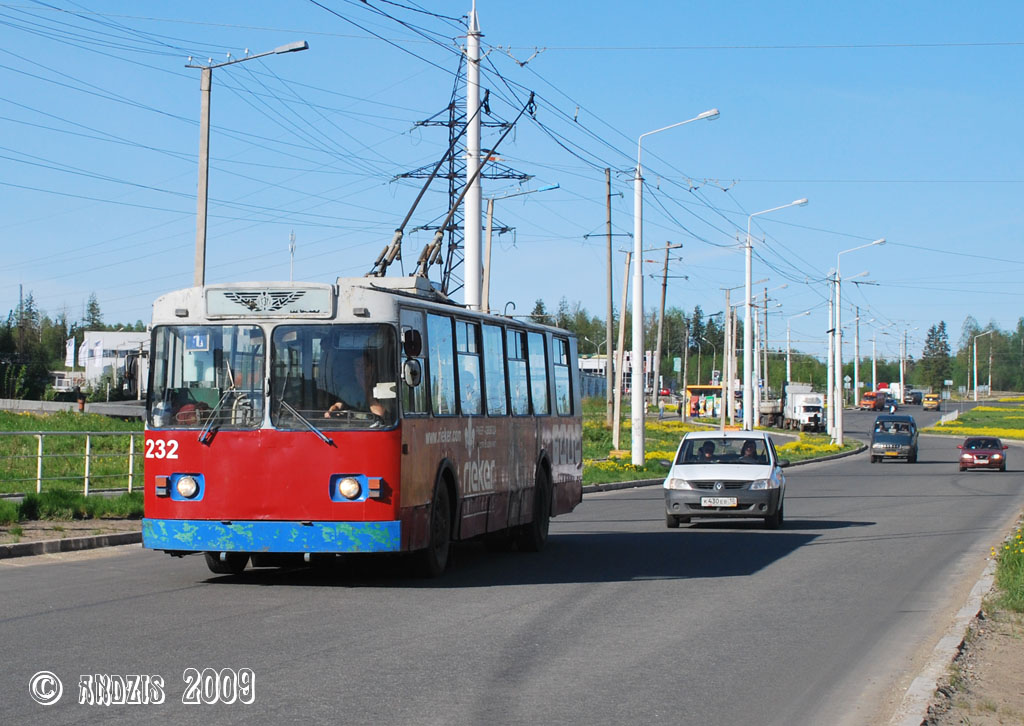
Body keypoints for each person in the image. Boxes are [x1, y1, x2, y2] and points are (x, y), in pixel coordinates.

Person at [325, 351, 385, 419]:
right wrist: (332, 410)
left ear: (372, 367)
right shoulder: (350, 388)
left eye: (365, 365)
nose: (361, 369)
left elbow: (379, 414)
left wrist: (367, 390)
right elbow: (338, 405)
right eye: (357, 365)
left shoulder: (383, 386)